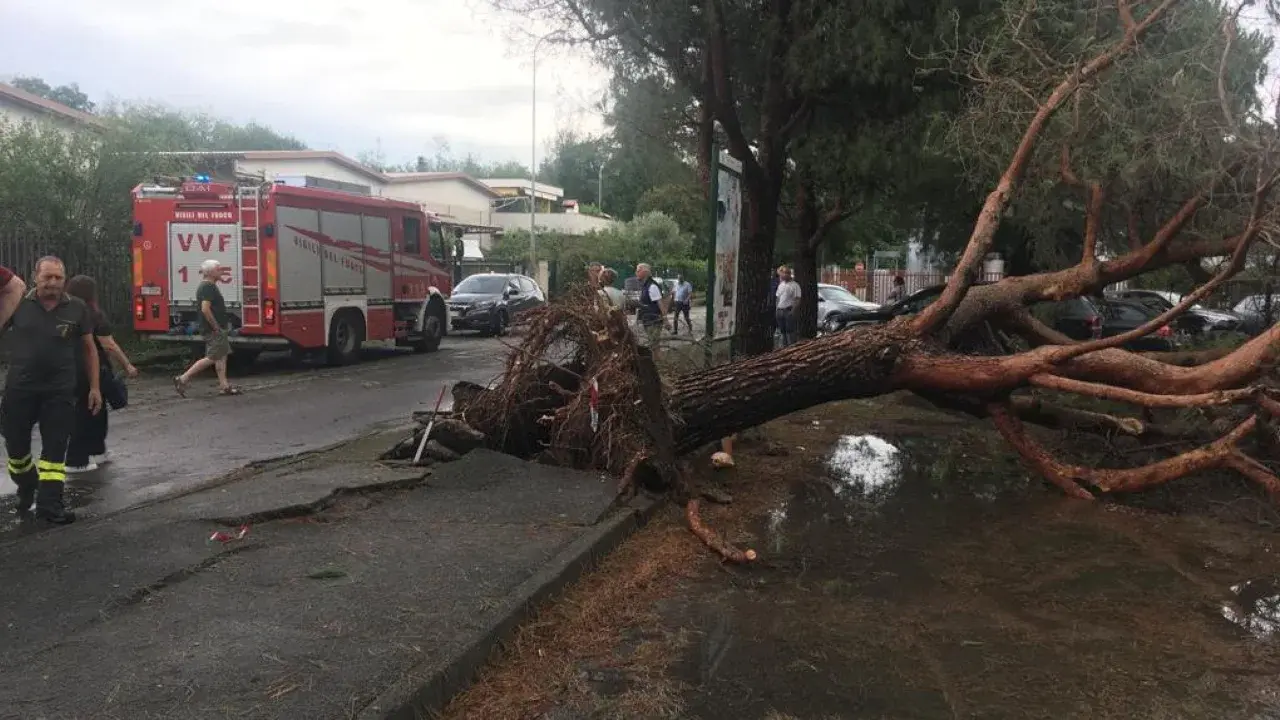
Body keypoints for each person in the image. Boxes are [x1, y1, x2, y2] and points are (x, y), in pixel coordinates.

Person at [3, 256, 100, 524]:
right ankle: (26, 484)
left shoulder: (77, 308)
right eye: (47, 277)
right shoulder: (18, 304)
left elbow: (90, 349)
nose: (53, 283)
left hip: (59, 390)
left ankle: (50, 504)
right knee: (15, 446)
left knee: (55, 449)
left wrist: (95, 387)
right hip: (20, 388)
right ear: (35, 277)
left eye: (58, 278)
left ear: (64, 280)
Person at [65, 275, 139, 473]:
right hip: (92, 369)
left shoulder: (66, 312)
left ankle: (94, 451)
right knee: (89, 412)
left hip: (71, 368)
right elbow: (109, 345)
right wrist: (127, 365)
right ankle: (77, 459)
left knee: (92, 410)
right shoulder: (94, 314)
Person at [174, 259, 240, 397]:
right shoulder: (207, 287)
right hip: (214, 329)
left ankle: (224, 386)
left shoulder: (210, 286)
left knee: (221, 356)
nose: (221, 271)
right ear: (211, 272)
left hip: (218, 328)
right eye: (219, 269)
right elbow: (205, 309)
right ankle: (183, 378)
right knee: (213, 356)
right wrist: (215, 326)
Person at [634, 263, 665, 347]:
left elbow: (660, 303)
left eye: (638, 270)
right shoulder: (645, 285)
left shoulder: (652, 286)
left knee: (654, 346)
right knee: (653, 345)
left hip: (654, 321)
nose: (636, 273)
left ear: (645, 272)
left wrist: (665, 319)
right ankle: (656, 360)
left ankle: (658, 360)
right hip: (648, 321)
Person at [775, 265, 801, 348]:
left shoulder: (795, 285)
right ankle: (783, 349)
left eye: (782, 274)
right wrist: (777, 308)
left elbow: (797, 299)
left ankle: (791, 348)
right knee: (782, 332)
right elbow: (778, 297)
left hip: (788, 310)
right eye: (780, 275)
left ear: (788, 274)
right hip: (780, 310)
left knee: (790, 332)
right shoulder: (781, 285)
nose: (781, 276)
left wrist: (792, 311)